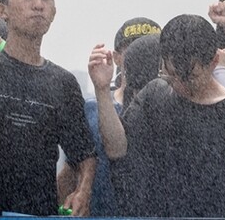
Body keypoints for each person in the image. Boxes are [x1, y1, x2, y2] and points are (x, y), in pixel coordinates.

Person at [103, 14, 225, 217]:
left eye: (191, 77)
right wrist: (101, 90)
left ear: (214, 61)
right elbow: (117, 150)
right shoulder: (154, 97)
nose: (179, 85)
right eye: (171, 74)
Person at [0, 0, 96, 217]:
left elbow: (83, 154)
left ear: (54, 12)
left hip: (37, 214)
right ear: (2, 10)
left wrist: (82, 192)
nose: (38, 5)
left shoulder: (63, 83)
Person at [61, 17, 160, 216]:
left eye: (152, 50)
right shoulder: (90, 108)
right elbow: (70, 170)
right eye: (132, 48)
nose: (143, 55)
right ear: (116, 57)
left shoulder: (172, 108)